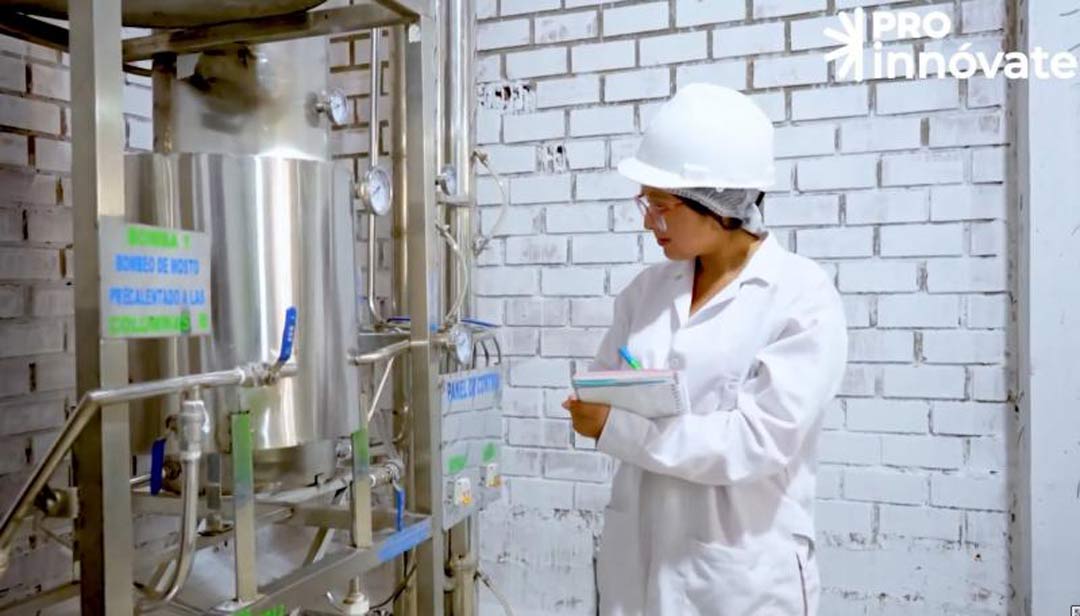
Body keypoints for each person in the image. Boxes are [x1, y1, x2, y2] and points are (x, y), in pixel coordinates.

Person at [562, 83, 848, 615]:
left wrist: (617, 427)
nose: (647, 220)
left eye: (661, 205)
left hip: (740, 577)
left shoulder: (801, 298)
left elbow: (755, 442)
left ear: (717, 204)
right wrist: (603, 412)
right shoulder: (645, 293)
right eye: (645, 202)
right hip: (638, 563)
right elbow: (602, 388)